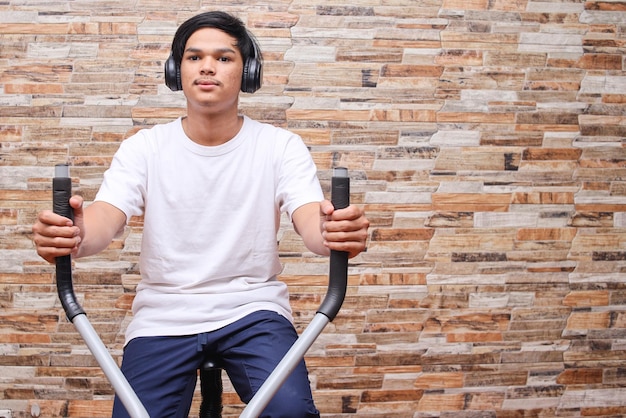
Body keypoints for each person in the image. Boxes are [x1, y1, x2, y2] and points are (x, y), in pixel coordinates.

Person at [31, 10, 369, 418]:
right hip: (164, 314)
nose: (208, 66)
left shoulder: (280, 146)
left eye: (224, 58)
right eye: (194, 57)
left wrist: (335, 231)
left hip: (252, 309)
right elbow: (106, 215)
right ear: (177, 70)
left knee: (290, 412)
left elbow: (312, 223)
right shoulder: (146, 148)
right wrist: (78, 233)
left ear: (247, 71)